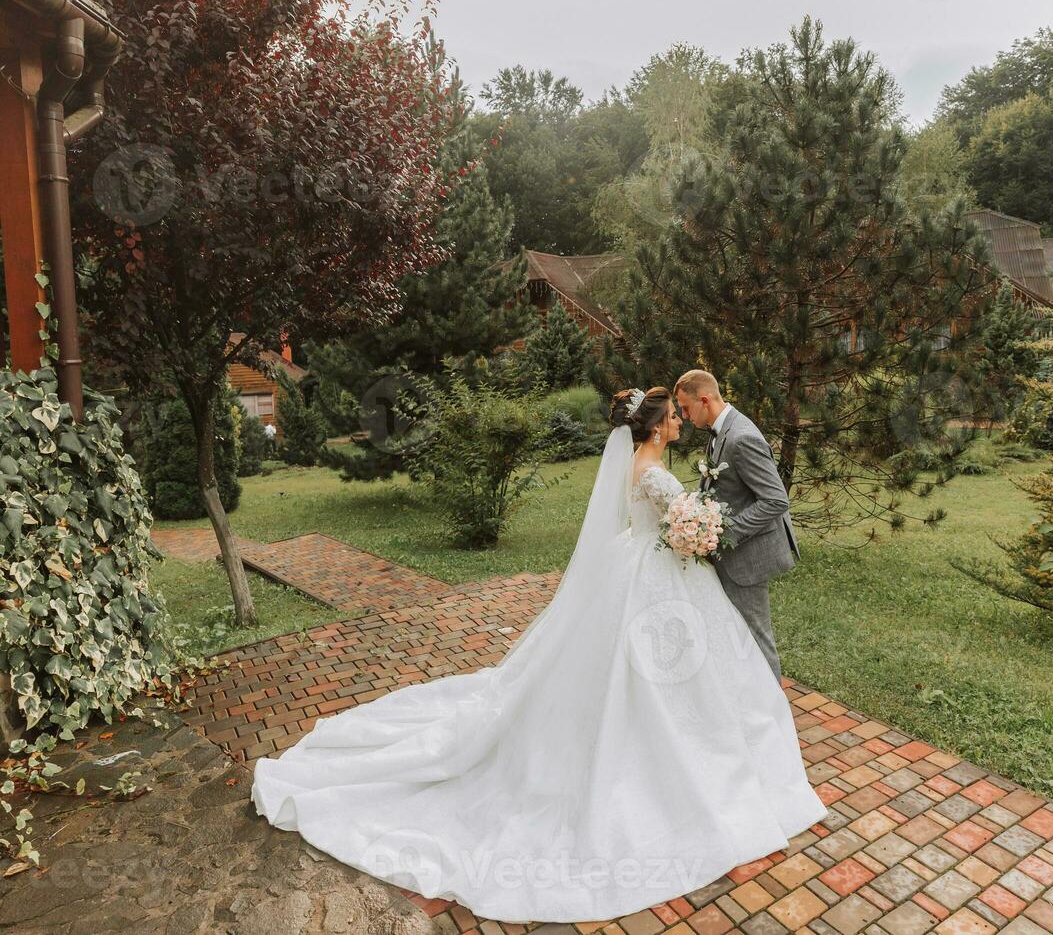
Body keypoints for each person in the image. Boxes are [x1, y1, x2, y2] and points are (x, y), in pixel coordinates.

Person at [250, 387, 825, 923]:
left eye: (680, 412)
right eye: (672, 416)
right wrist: (698, 531)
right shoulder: (652, 472)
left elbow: (675, 519)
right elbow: (676, 524)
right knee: (655, 671)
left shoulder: (646, 464)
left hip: (653, 567)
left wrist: (695, 529)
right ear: (654, 430)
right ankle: (663, 751)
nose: (679, 421)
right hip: (658, 573)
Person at [674, 370, 798, 680]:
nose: (685, 416)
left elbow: (775, 501)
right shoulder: (720, 432)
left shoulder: (741, 437)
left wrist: (722, 533)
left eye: (687, 408)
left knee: (756, 636)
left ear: (705, 400)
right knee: (736, 634)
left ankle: (774, 716)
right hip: (728, 555)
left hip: (747, 557)